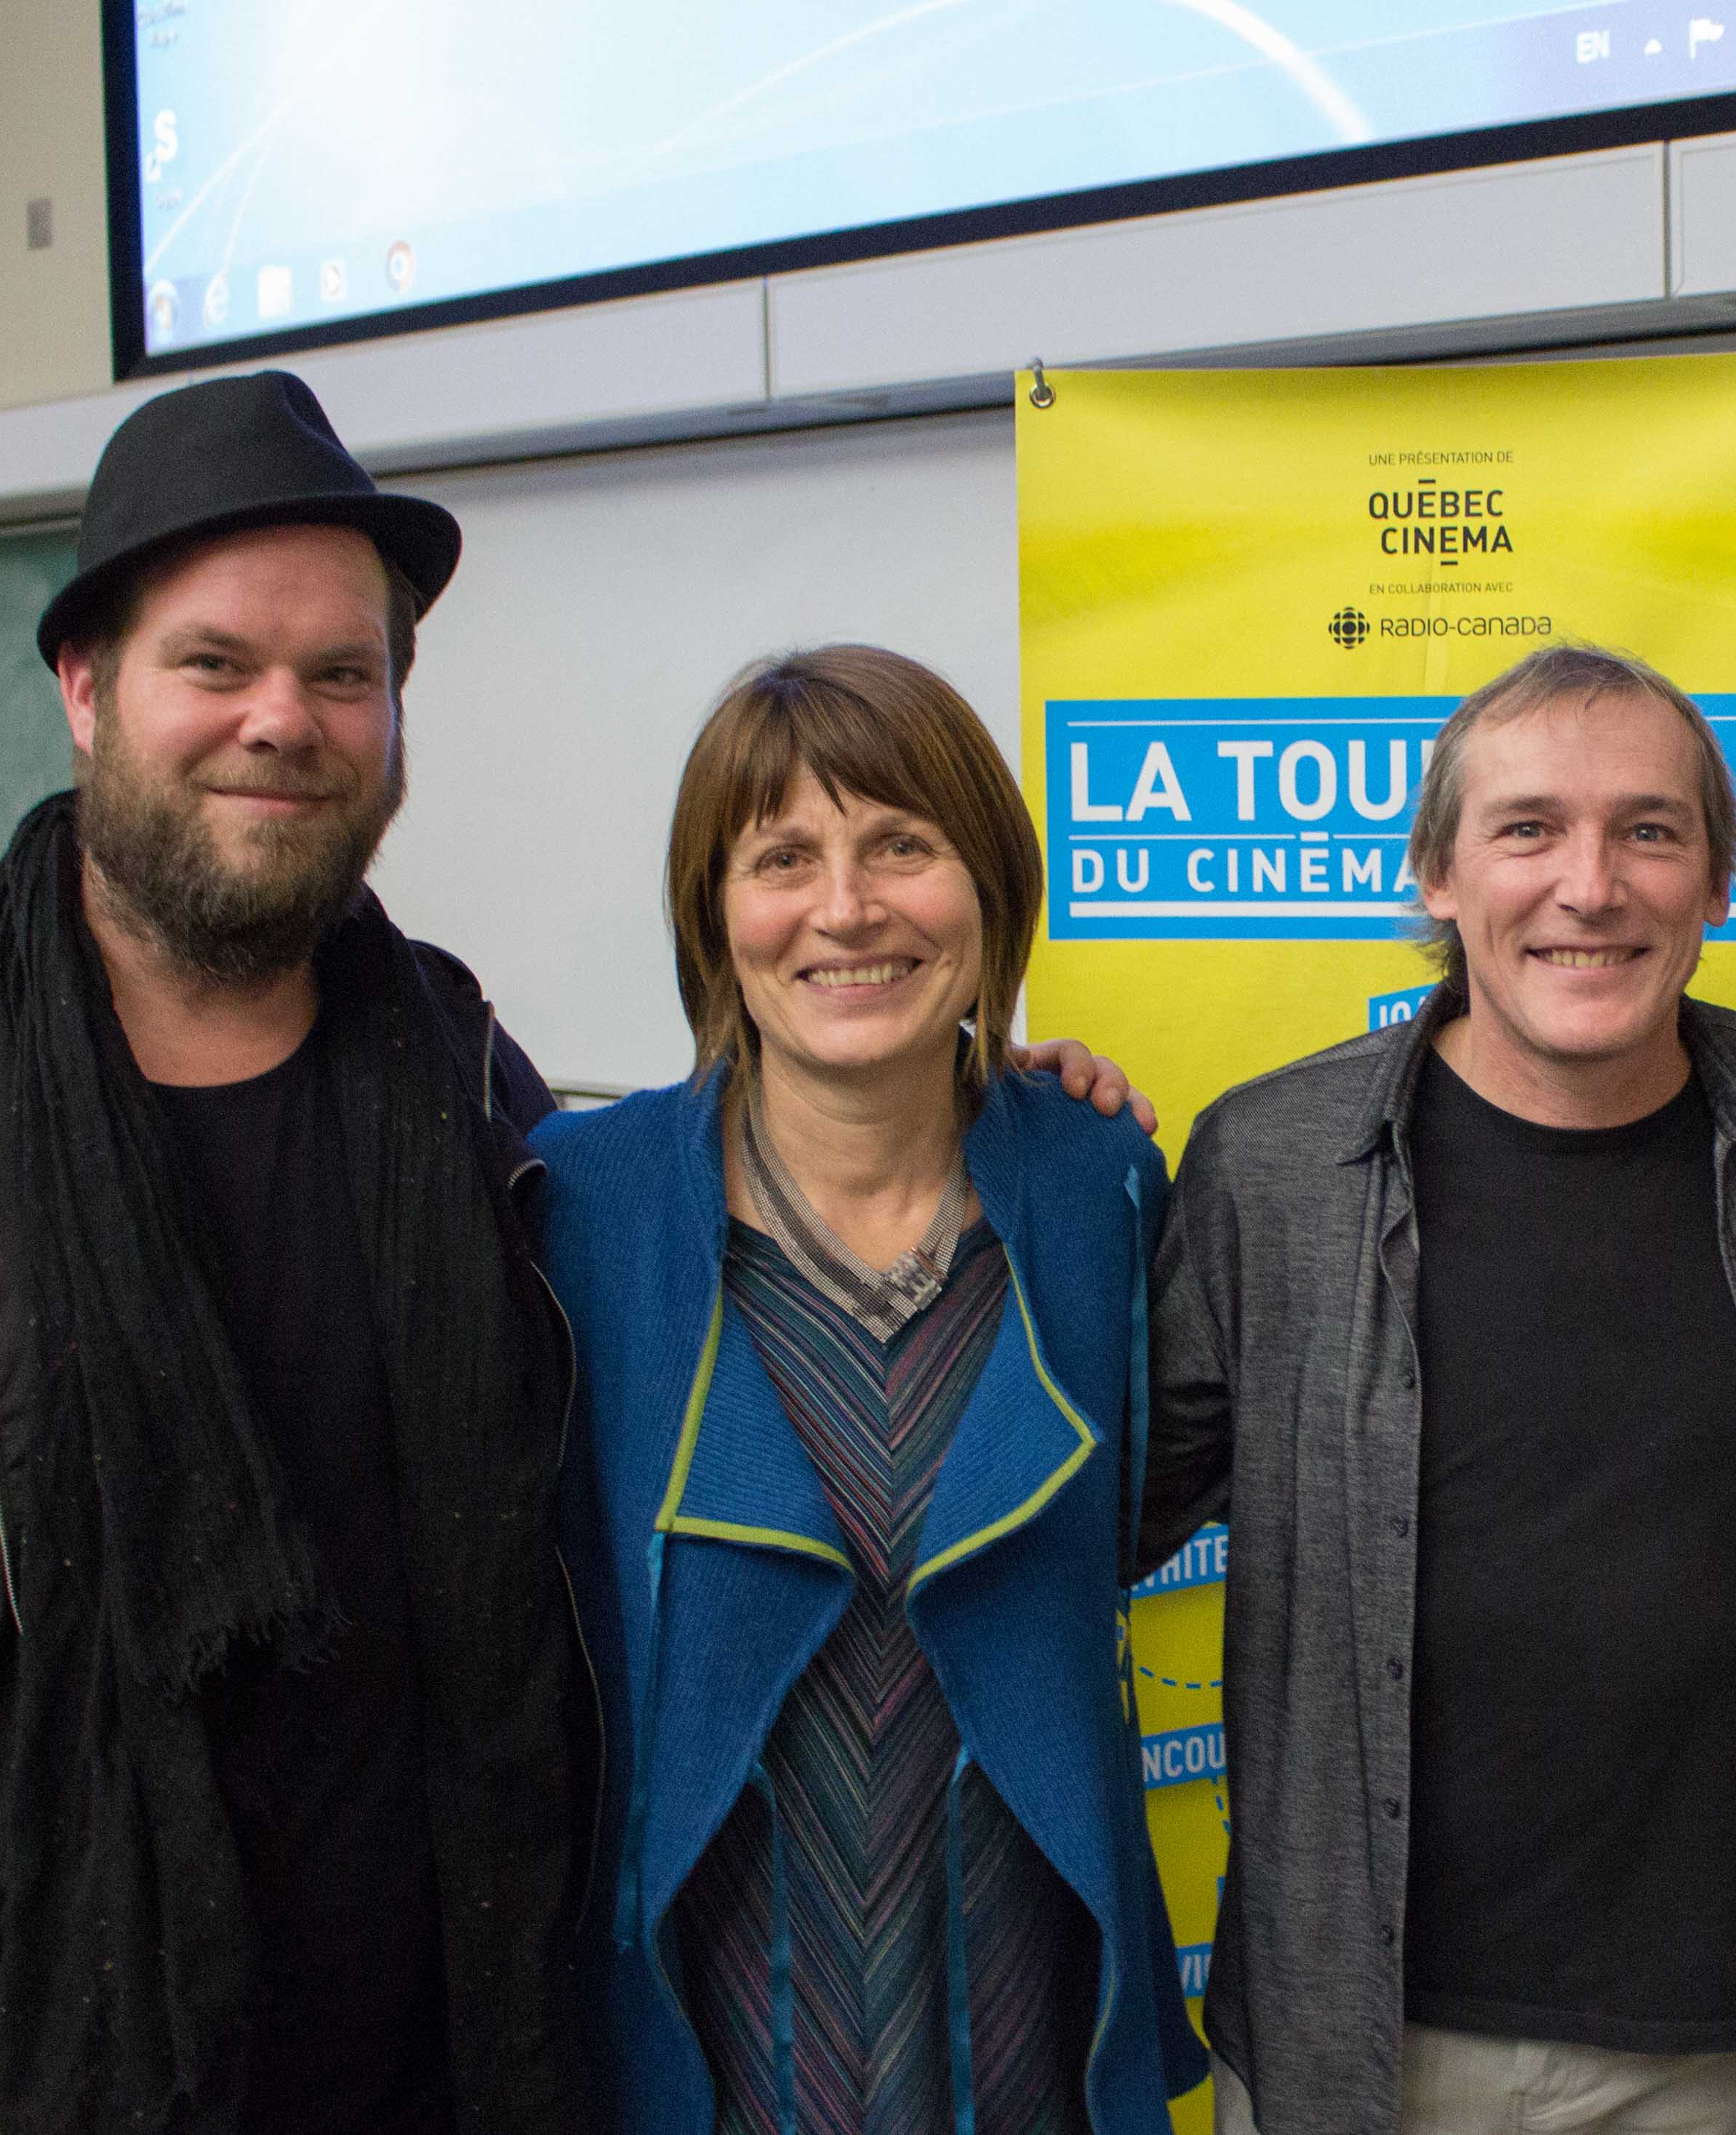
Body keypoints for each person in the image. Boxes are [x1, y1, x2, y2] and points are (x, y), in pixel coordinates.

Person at [0, 375, 1147, 2135]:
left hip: (442, 2068)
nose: (280, 721)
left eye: (342, 676)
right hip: (12, 2078)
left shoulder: (462, 1096)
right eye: (215, 664)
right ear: (86, 688)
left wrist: (1024, 1117)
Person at [1139, 642, 1736, 2135]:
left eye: (1649, 829)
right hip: (1350, 2025)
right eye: (1527, 827)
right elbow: (1107, 1499)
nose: (1591, 884)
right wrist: (1004, 1134)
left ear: (1719, 881)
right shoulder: (1272, 1166)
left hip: (1701, 2027)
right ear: (1437, 875)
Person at [537, 645, 1204, 2135]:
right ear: (718, 917)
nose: (847, 908)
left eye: (904, 845)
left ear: (991, 890)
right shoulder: (581, 1212)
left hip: (1033, 2033)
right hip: (711, 2045)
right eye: (784, 857)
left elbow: (1150, 1510)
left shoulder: (1101, 1188)